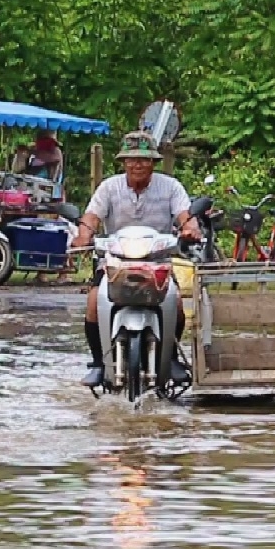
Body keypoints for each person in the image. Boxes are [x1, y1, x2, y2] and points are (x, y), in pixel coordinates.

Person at [72, 130, 202, 387]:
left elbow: (186, 216)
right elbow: (91, 217)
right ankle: (99, 362)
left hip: (157, 262)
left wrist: (190, 228)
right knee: (92, 302)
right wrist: (83, 234)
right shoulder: (109, 187)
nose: (137, 164)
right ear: (123, 162)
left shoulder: (171, 187)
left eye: (143, 159)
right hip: (115, 262)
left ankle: (171, 358)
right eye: (131, 159)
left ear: (153, 162)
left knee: (175, 303)